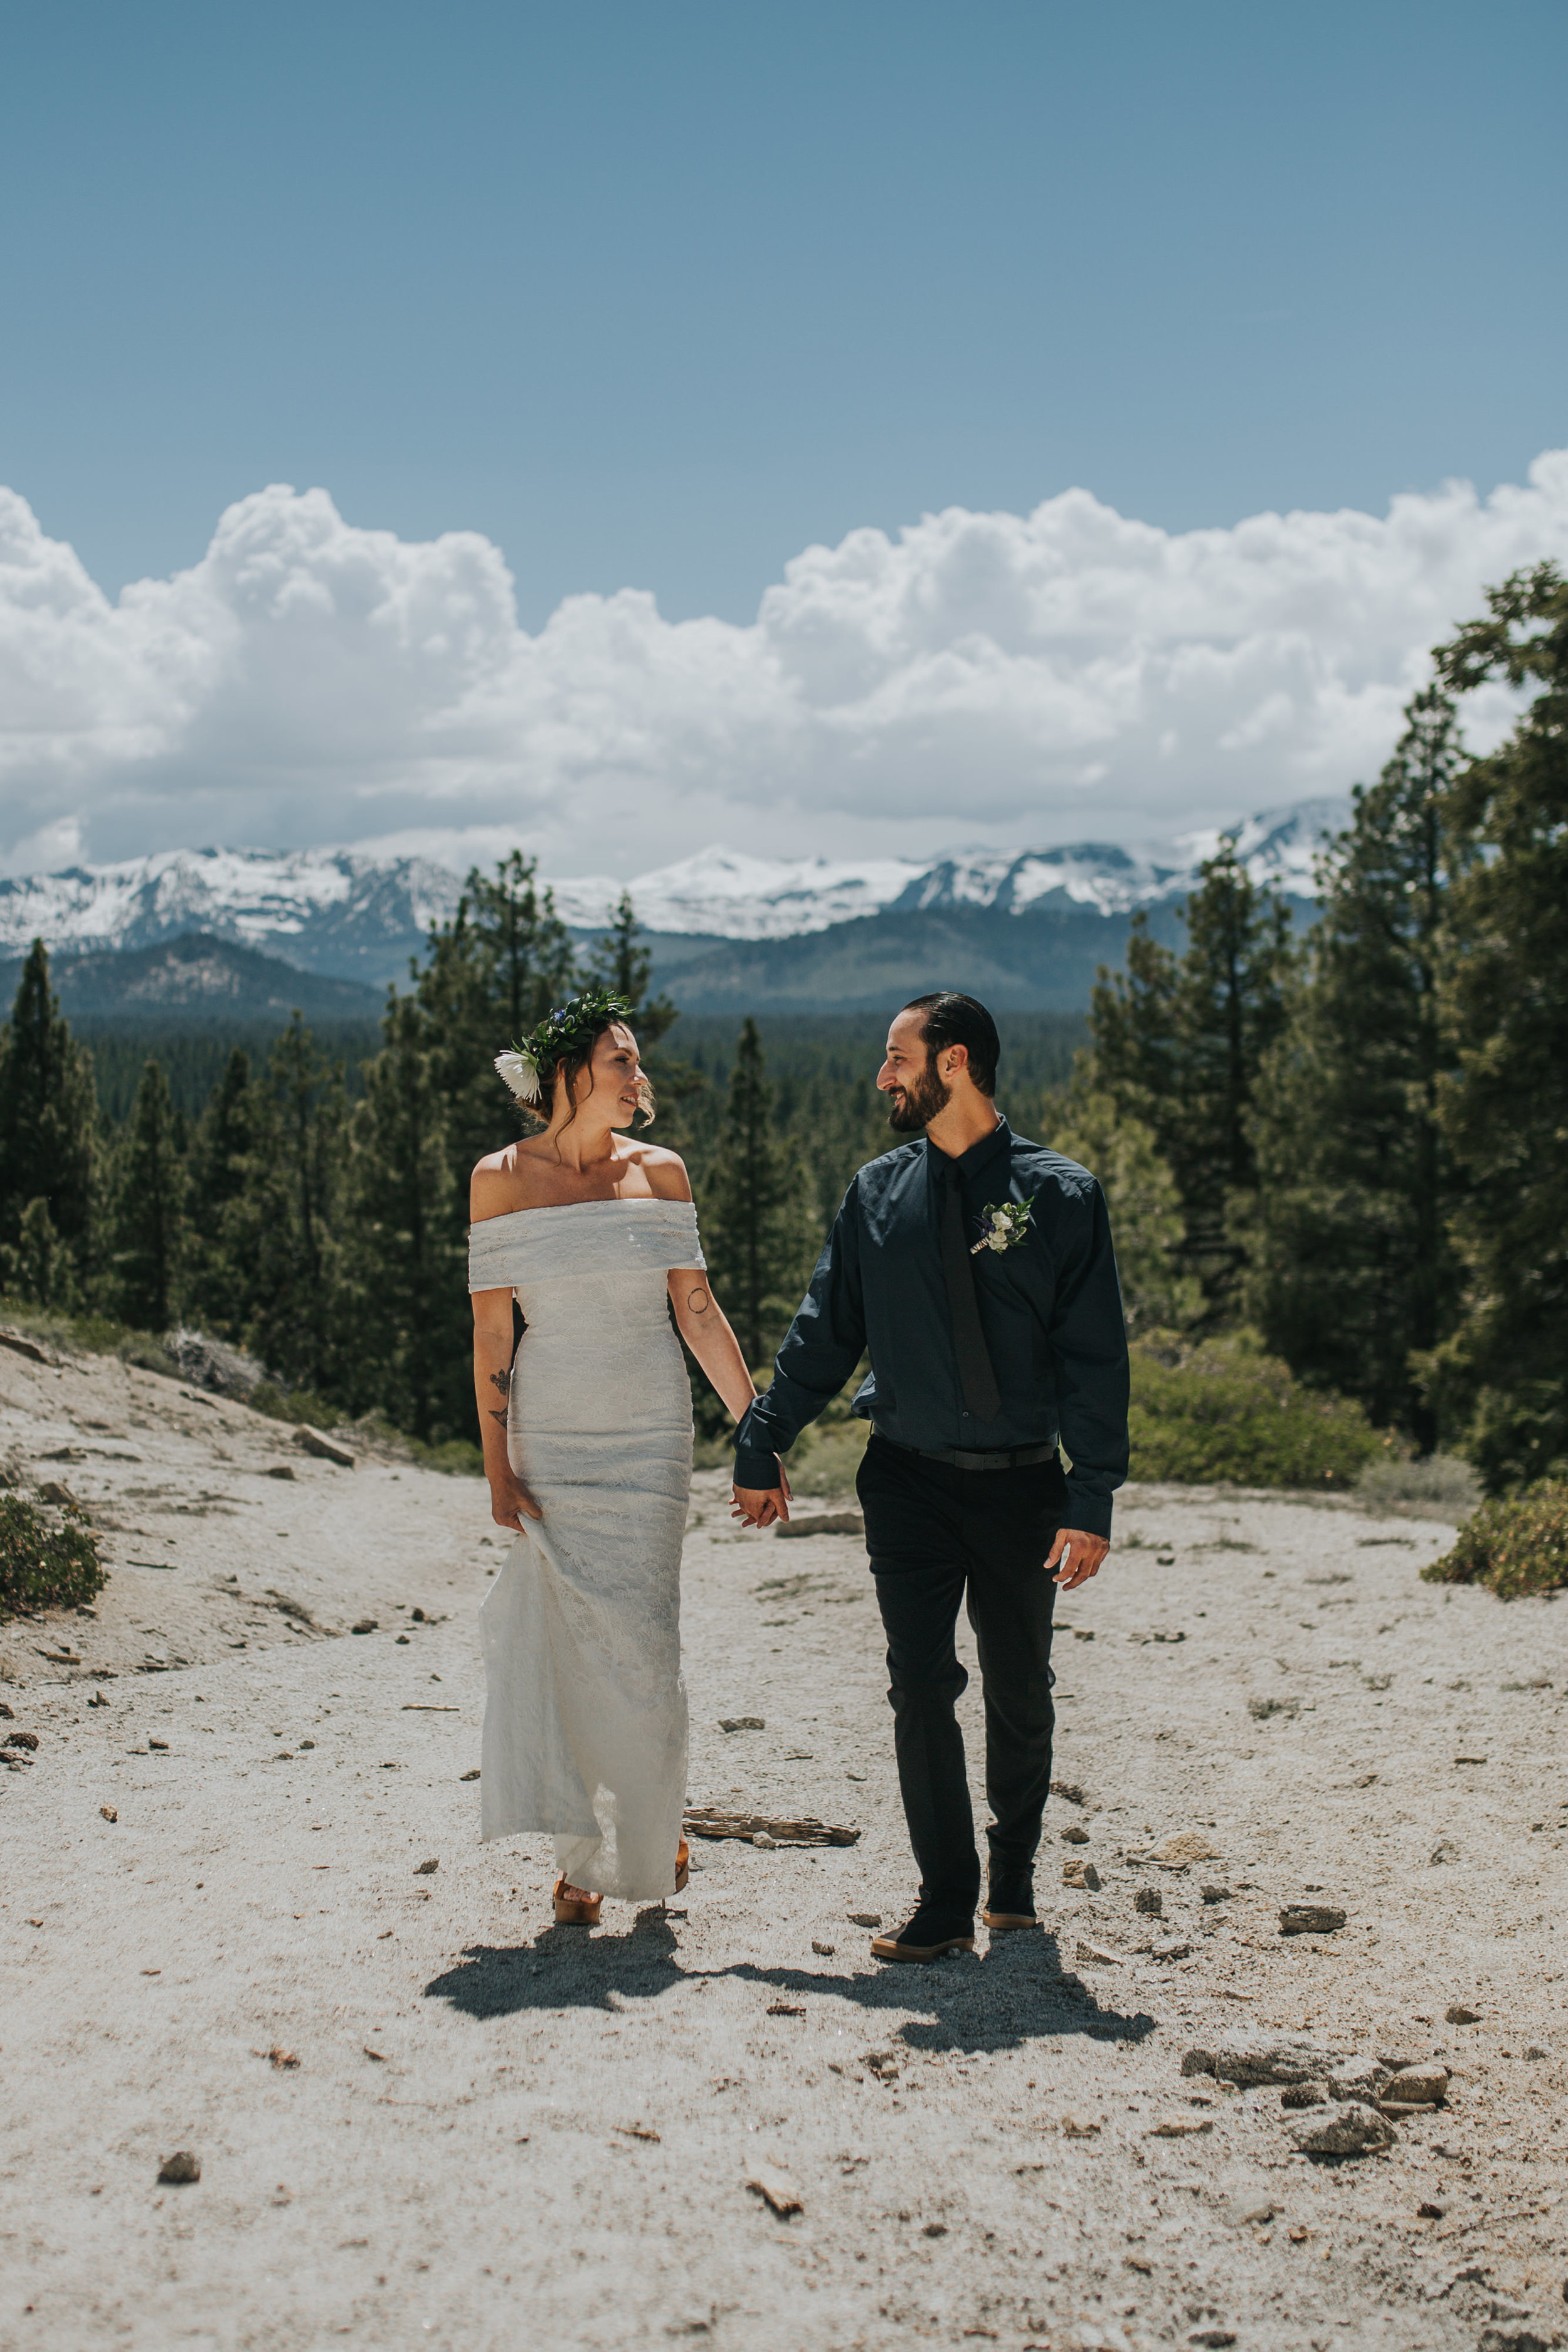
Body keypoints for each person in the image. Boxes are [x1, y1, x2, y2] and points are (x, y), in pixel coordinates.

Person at [731, 992, 1129, 1963]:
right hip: (905, 1480)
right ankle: (947, 1898)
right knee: (919, 1686)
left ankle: (1016, 1877)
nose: (883, 1075)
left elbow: (1095, 1359)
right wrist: (761, 1432)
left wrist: (1093, 1496)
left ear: (953, 1063)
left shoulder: (1062, 1195)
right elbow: (827, 1330)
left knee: (1020, 1689)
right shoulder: (876, 1193)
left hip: (1024, 1488)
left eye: (896, 1056)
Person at [470, 989, 758, 1925]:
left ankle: (653, 1820)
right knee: (573, 1650)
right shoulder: (499, 1178)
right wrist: (497, 1464)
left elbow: (699, 1311)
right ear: (567, 1078)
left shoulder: (662, 1173)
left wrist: (753, 1424)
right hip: (550, 1437)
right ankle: (584, 1855)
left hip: (650, 1437)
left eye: (638, 1062)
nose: (640, 1077)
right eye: (620, 1062)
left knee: (645, 1643)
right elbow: (491, 1335)